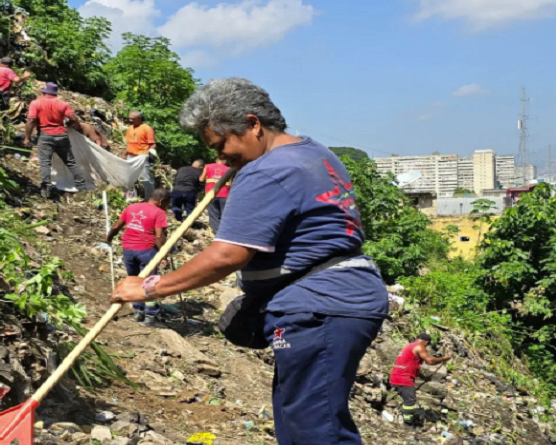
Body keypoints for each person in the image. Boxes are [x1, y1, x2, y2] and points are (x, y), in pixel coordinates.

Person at [109, 78, 388, 445]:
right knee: (299, 418)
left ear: (253, 124)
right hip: (340, 298)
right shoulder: (315, 153)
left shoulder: (268, 170)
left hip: (320, 306)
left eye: (222, 144)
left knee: (316, 430)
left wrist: (148, 287)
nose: (221, 157)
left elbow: (228, 255)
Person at [105, 189, 170, 326]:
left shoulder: (132, 207)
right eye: (167, 204)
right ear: (161, 201)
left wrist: (108, 239)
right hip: (147, 250)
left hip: (128, 250)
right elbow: (159, 236)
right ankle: (151, 316)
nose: (167, 207)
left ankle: (139, 311)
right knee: (150, 283)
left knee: (135, 281)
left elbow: (117, 226)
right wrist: (163, 255)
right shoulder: (159, 213)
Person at [24, 82, 87, 197]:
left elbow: (31, 120)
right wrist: (71, 124)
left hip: (45, 135)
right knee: (70, 162)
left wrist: (27, 137)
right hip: (61, 135)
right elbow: (73, 118)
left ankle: (46, 190)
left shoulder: (36, 103)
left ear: (44, 92)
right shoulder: (63, 104)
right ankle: (82, 186)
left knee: (45, 163)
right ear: (55, 93)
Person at [389, 333, 452, 427]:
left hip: (396, 376)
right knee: (410, 401)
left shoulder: (408, 346)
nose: (426, 346)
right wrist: (443, 358)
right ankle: (407, 423)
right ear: (426, 342)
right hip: (403, 378)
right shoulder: (419, 346)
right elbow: (430, 361)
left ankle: (405, 418)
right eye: (427, 344)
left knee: (409, 399)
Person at [125, 110, 156, 200]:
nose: (130, 121)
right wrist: (124, 154)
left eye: (133, 119)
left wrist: (147, 154)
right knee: (129, 179)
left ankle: (149, 199)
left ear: (139, 118)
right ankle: (130, 198)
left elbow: (153, 144)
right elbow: (129, 143)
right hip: (130, 156)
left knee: (146, 179)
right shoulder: (130, 128)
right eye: (129, 119)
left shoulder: (147, 128)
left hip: (141, 157)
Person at [199, 155, 230, 234]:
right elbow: (230, 184)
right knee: (224, 214)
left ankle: (218, 233)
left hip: (211, 194)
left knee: (213, 214)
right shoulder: (228, 169)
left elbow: (201, 179)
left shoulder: (208, 166)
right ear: (225, 161)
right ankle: (226, 231)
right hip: (224, 194)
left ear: (216, 160)